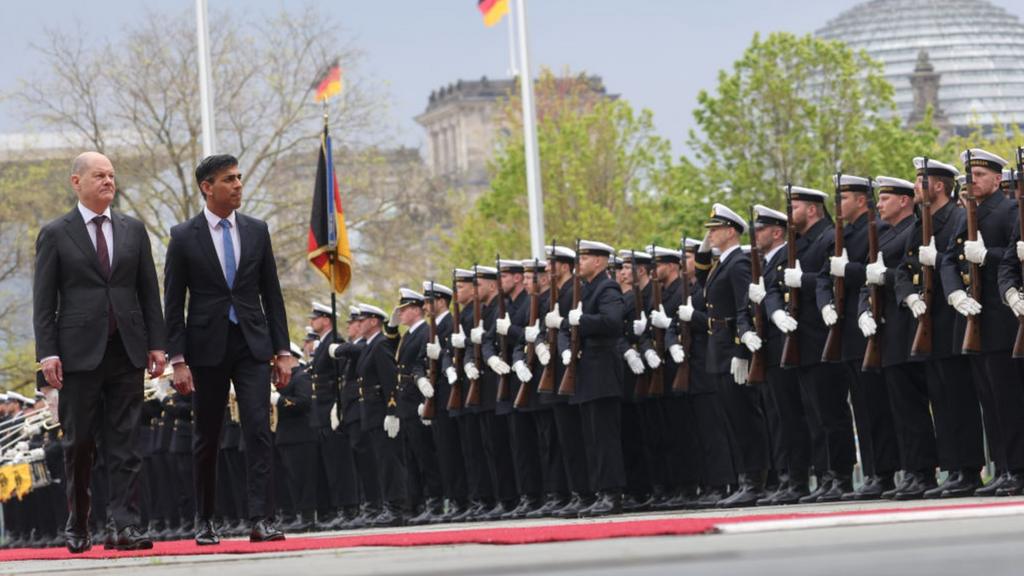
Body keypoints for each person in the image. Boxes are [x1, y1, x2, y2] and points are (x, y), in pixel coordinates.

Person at [33, 151, 167, 553]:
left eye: (111, 175)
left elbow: (148, 291)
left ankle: (125, 525)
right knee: (80, 444)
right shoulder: (56, 233)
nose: (108, 181)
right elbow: (44, 302)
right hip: (76, 355)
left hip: (126, 350)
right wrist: (47, 354)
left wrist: (157, 343)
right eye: (99, 175)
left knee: (126, 443)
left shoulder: (133, 230)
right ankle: (79, 524)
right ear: (77, 182)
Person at [163, 153, 295, 545]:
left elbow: (272, 294)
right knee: (208, 435)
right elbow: (174, 303)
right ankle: (205, 520)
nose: (238, 185)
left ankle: (262, 519)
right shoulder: (183, 236)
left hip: (252, 344)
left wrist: (283, 350)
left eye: (239, 178)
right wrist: (178, 360)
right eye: (229, 180)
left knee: (258, 429)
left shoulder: (257, 230)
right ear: (207, 187)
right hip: (205, 349)